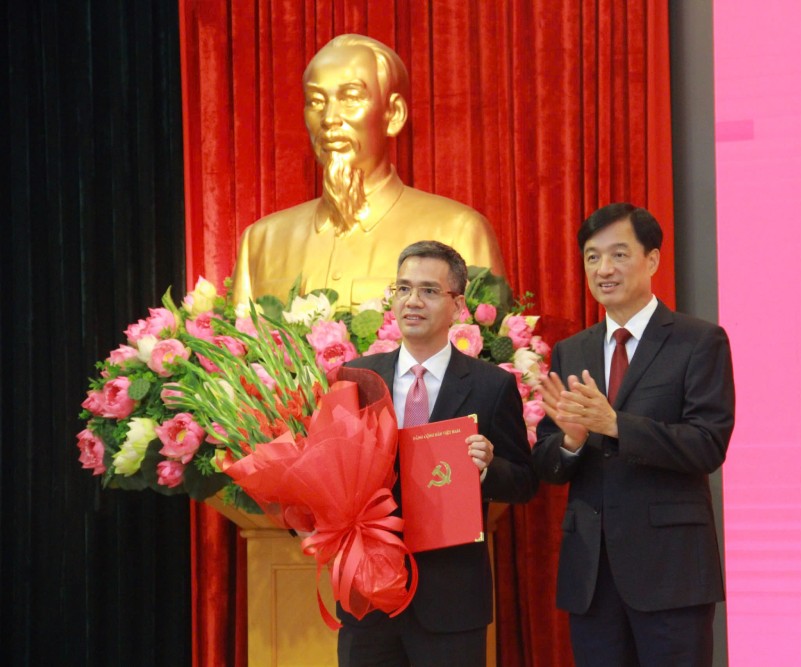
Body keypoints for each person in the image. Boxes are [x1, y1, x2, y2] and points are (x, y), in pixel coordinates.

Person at [532, 203, 735, 667]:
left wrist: (615, 425)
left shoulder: (698, 341)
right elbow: (548, 462)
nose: (604, 269)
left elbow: (707, 444)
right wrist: (571, 442)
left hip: (671, 571)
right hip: (592, 575)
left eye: (619, 254)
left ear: (652, 259)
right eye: (592, 257)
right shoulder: (571, 351)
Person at [341, 241, 537, 666]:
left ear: (458, 306)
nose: (412, 301)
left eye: (429, 291)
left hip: (451, 601)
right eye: (403, 288)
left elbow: (524, 481)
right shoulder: (358, 378)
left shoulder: (491, 386)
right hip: (369, 597)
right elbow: (332, 470)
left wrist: (487, 468)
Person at [230, 34, 504, 307]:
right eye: (316, 101)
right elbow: (235, 333)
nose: (329, 118)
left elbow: (483, 331)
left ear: (393, 114)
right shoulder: (261, 241)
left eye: (350, 98)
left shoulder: (458, 231)